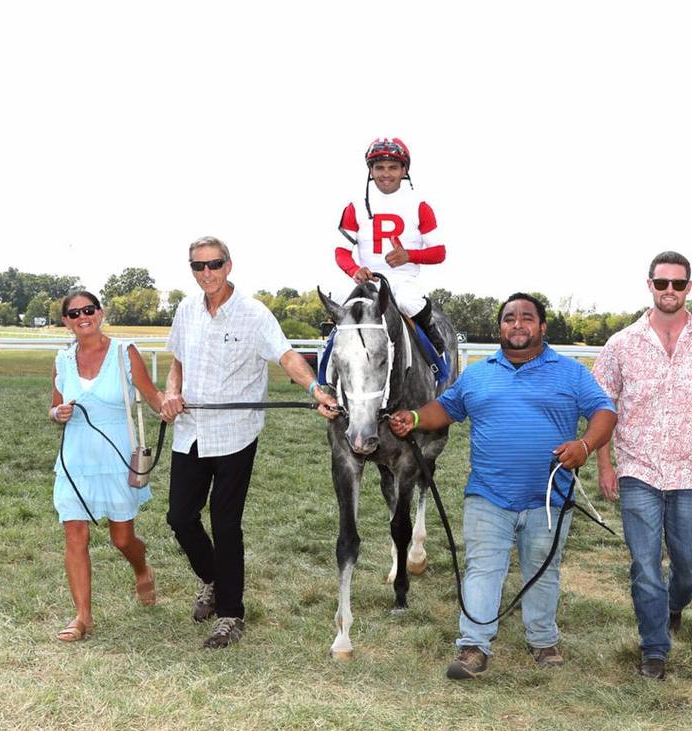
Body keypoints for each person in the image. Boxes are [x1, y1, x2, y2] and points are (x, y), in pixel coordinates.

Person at [389, 293, 616, 680]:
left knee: (543, 572)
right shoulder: (478, 373)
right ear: (501, 328)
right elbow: (445, 408)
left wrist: (584, 445)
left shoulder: (571, 372)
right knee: (482, 570)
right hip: (488, 495)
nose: (517, 324)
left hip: (548, 498)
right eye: (509, 318)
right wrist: (413, 416)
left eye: (527, 318)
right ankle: (473, 647)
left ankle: (543, 640)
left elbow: (604, 412)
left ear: (542, 327)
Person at [161, 236, 339, 648]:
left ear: (229, 264)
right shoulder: (186, 310)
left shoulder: (255, 315)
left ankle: (231, 613)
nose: (207, 273)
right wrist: (172, 392)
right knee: (179, 518)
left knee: (226, 526)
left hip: (235, 435)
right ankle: (213, 578)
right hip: (190, 432)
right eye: (198, 266)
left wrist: (316, 390)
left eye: (214, 264)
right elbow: (177, 364)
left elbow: (288, 357)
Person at [593, 251, 692, 681]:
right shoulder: (621, 344)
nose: (669, 291)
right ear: (650, 285)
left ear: (689, 287)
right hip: (638, 470)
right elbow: (603, 406)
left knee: (689, 561)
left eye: (678, 284)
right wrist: (605, 464)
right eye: (662, 284)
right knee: (644, 564)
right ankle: (654, 647)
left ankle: (674, 605)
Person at [49, 290, 165, 642]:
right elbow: (53, 407)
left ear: (99, 313)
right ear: (66, 321)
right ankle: (83, 616)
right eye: (73, 313)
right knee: (75, 535)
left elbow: (152, 395)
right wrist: (58, 413)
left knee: (122, 538)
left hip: (116, 458)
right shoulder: (62, 360)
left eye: (88, 309)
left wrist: (170, 405)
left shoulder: (123, 352)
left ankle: (141, 568)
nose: (82, 316)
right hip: (75, 459)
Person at [335, 137, 448, 354]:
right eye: (379, 168)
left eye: (393, 167)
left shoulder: (420, 204)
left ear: (404, 169)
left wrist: (409, 256)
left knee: (408, 301)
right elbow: (341, 251)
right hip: (368, 281)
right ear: (371, 170)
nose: (386, 174)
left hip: (402, 281)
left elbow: (439, 253)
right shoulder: (355, 205)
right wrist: (354, 269)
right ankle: (330, 368)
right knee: (338, 298)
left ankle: (434, 347)